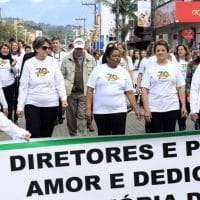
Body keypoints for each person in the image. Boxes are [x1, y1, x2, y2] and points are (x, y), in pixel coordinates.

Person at [17, 36, 68, 138]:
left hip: (50, 104)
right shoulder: (29, 63)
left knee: (46, 135)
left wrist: (63, 99)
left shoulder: (53, 62)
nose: (47, 50)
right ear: (36, 48)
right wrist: (20, 106)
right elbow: (23, 86)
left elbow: (59, 82)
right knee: (34, 134)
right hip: (32, 103)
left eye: (49, 48)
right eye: (44, 48)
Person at [86, 43, 139, 136]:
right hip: (101, 112)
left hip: (119, 111)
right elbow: (89, 90)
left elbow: (129, 92)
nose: (117, 58)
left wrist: (136, 108)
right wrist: (88, 110)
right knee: (104, 138)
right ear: (107, 57)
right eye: (114, 56)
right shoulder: (98, 70)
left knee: (118, 138)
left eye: (119, 56)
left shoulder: (124, 72)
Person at [141, 40, 187, 133]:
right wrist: (146, 109)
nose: (160, 52)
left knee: (169, 135)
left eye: (163, 50)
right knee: (156, 136)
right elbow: (144, 89)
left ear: (167, 51)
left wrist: (183, 106)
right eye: (158, 50)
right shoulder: (150, 68)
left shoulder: (175, 66)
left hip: (171, 107)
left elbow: (181, 87)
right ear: (155, 52)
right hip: (154, 108)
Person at [61, 38, 96, 136]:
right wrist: (65, 86)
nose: (79, 51)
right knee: (71, 117)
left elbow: (94, 77)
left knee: (82, 116)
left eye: (80, 49)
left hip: (84, 93)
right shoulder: (66, 59)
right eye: (77, 49)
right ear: (74, 48)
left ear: (84, 48)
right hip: (70, 93)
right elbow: (61, 76)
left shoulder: (91, 59)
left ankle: (82, 137)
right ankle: (72, 136)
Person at [51, 37, 68, 124]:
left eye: (56, 43)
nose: (55, 44)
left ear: (59, 44)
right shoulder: (49, 55)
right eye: (53, 43)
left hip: (62, 80)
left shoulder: (65, 55)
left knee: (62, 99)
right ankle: (55, 117)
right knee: (54, 99)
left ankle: (61, 115)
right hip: (52, 81)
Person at [174, 44, 191, 131]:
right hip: (177, 89)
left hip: (187, 90)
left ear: (185, 51)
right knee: (179, 107)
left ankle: (182, 122)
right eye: (178, 49)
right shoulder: (174, 62)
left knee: (187, 107)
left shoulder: (190, 62)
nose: (180, 51)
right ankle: (181, 125)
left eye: (182, 49)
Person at [0, 43, 16, 121]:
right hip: (0, 86)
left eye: (7, 48)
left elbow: (15, 73)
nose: (5, 50)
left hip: (10, 84)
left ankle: (9, 119)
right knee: (1, 104)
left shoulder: (11, 59)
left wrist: (13, 66)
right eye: (4, 48)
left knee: (9, 103)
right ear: (0, 49)